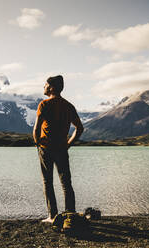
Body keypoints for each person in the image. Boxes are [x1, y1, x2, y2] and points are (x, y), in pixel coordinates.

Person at [33, 75, 84, 223]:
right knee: (66, 183)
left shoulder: (44, 104)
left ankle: (53, 216)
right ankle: (70, 215)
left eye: (45, 85)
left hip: (46, 148)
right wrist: (68, 143)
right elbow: (79, 129)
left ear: (51, 88)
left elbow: (36, 129)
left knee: (47, 182)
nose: (43, 87)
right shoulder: (69, 106)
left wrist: (38, 143)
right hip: (62, 149)